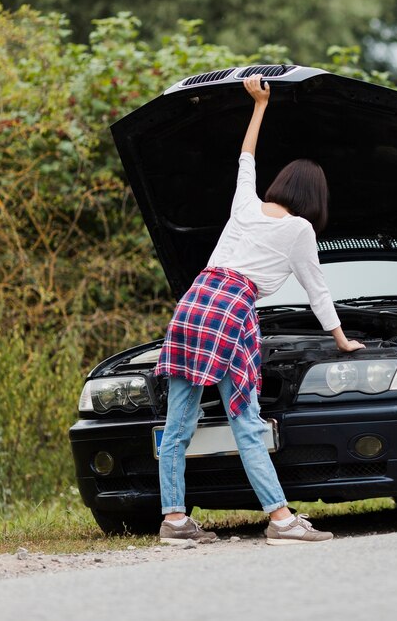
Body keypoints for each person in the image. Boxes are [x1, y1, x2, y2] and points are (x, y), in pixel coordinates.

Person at [155, 74, 364, 545]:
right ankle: (281, 519)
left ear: (281, 183)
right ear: (316, 198)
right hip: (230, 313)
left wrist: (259, 105)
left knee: (178, 423)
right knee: (245, 420)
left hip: (193, 303)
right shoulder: (299, 231)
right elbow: (318, 291)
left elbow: (245, 157)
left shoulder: (245, 203)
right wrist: (341, 339)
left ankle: (173, 520)